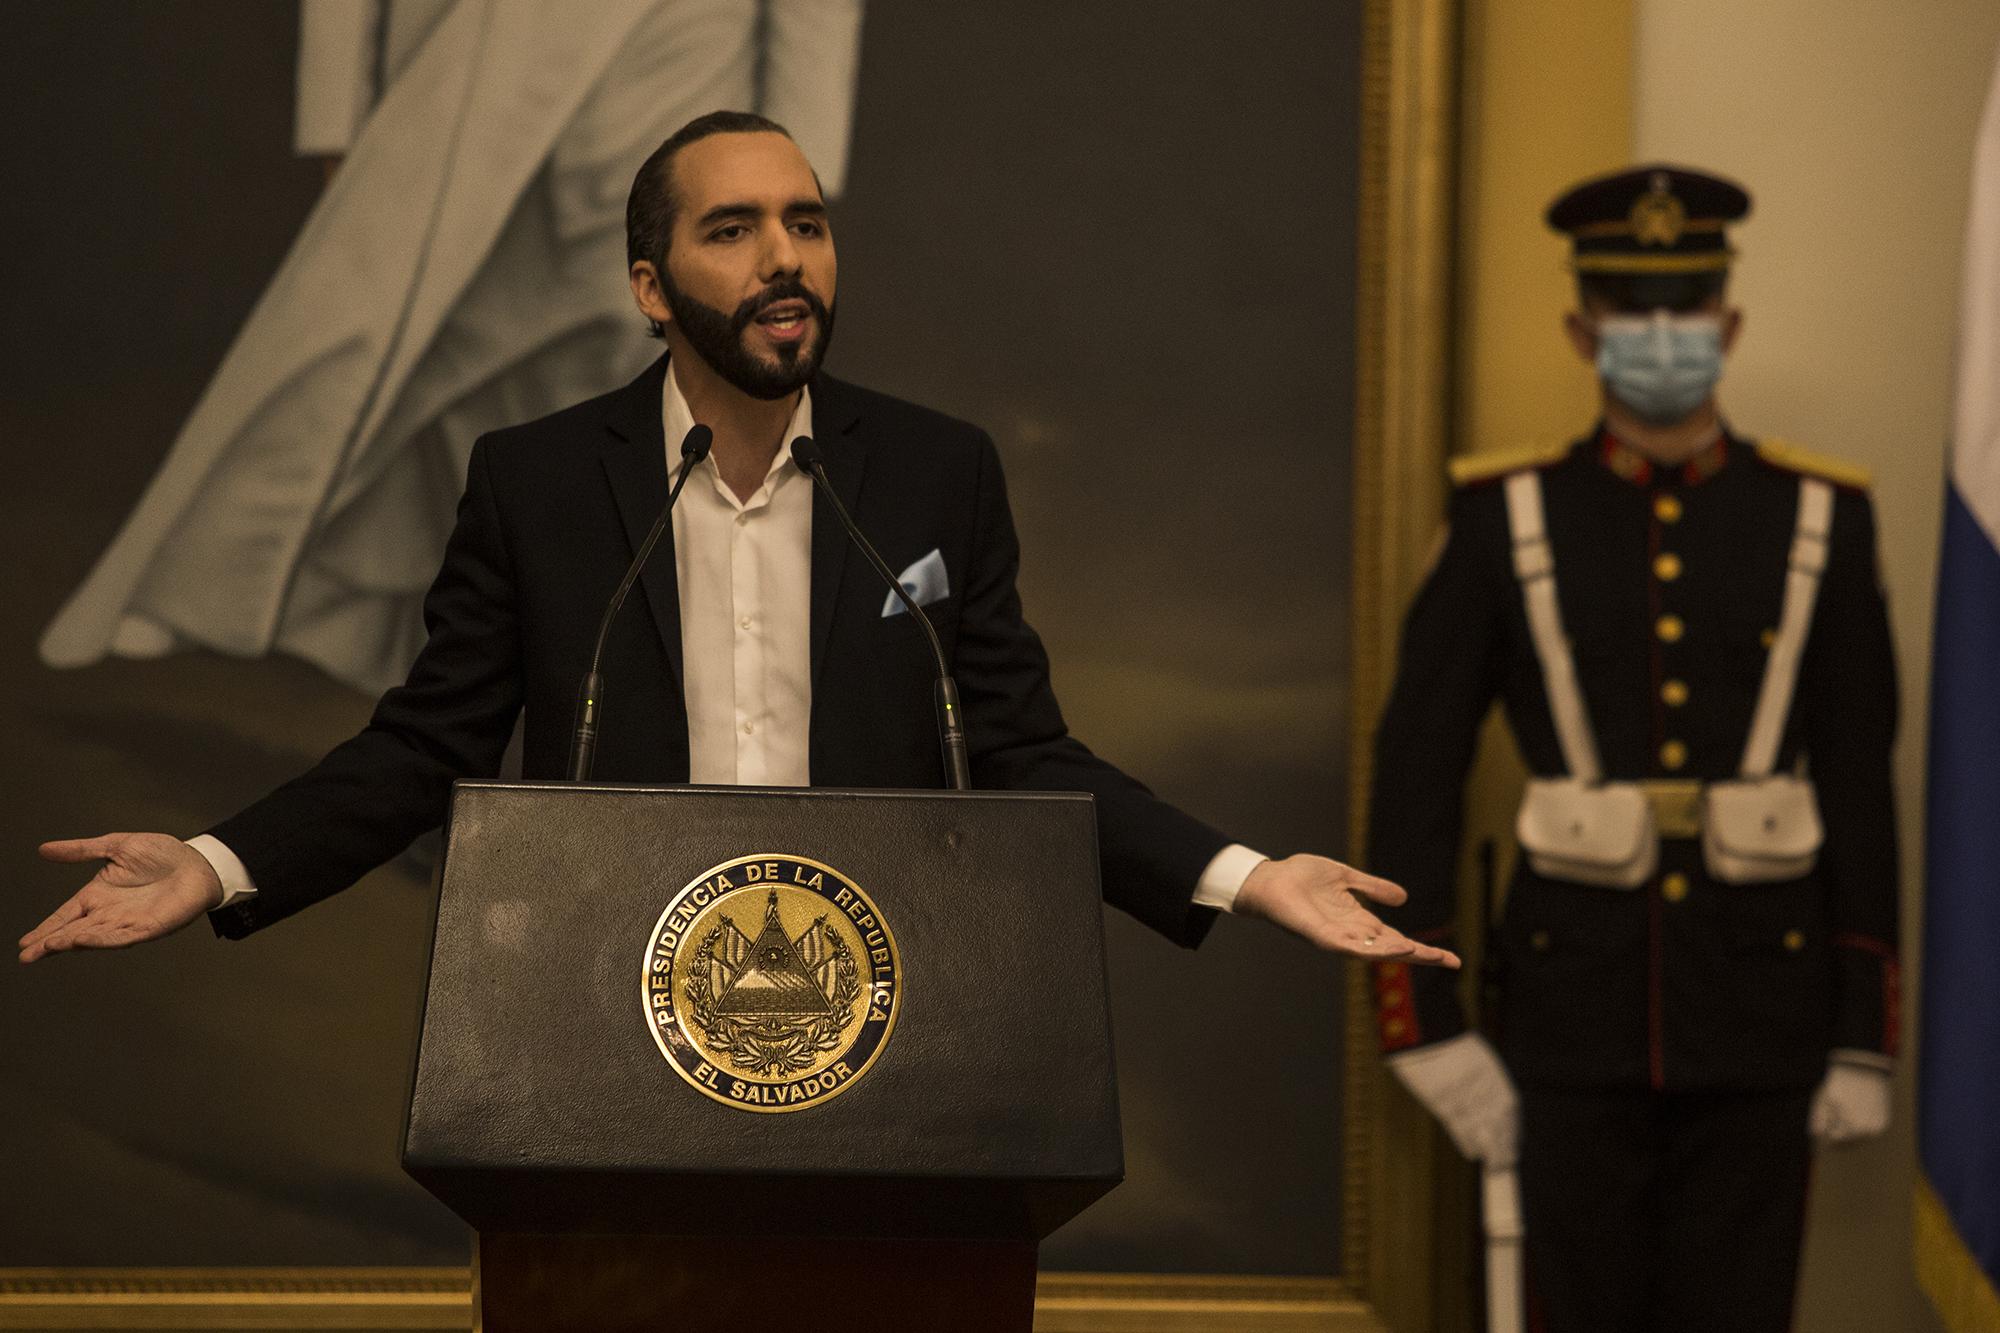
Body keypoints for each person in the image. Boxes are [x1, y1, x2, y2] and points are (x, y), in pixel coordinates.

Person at [18, 112, 1457, 977]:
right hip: (610, 1008)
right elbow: (426, 747)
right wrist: (216, 861)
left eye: (809, 223)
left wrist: (1250, 873)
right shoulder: (537, 481)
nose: (787, 256)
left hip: (885, 1012)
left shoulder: (932, 472)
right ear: (652, 286)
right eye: (736, 229)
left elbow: (1020, 750)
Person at [1366, 164, 1899, 1330]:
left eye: (1686, 308)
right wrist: (1423, 1019)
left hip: (1764, 1011)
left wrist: (1864, 1033)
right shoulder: (1500, 516)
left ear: (1729, 322)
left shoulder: (1820, 518)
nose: (1660, 335)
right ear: (1580, 327)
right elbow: (1417, 772)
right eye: (1627, 310)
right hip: (1565, 1017)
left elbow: (1861, 779)